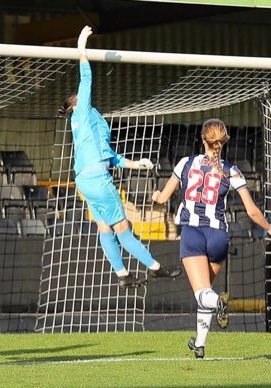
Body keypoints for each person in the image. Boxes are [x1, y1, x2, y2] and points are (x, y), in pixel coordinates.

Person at [59, 25, 182, 289]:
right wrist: (81, 44)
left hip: (85, 181)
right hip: (99, 181)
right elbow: (86, 76)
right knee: (124, 230)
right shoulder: (81, 112)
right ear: (76, 104)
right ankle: (154, 267)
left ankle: (122, 274)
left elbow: (111, 156)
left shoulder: (91, 124)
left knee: (105, 228)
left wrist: (136, 163)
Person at [152, 118, 271, 359]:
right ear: (224, 142)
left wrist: (156, 195)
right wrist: (270, 229)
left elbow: (164, 197)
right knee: (206, 291)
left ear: (203, 139)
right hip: (219, 236)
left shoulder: (185, 163)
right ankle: (199, 344)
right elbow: (251, 211)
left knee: (203, 294)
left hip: (193, 233)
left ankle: (219, 301)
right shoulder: (232, 170)